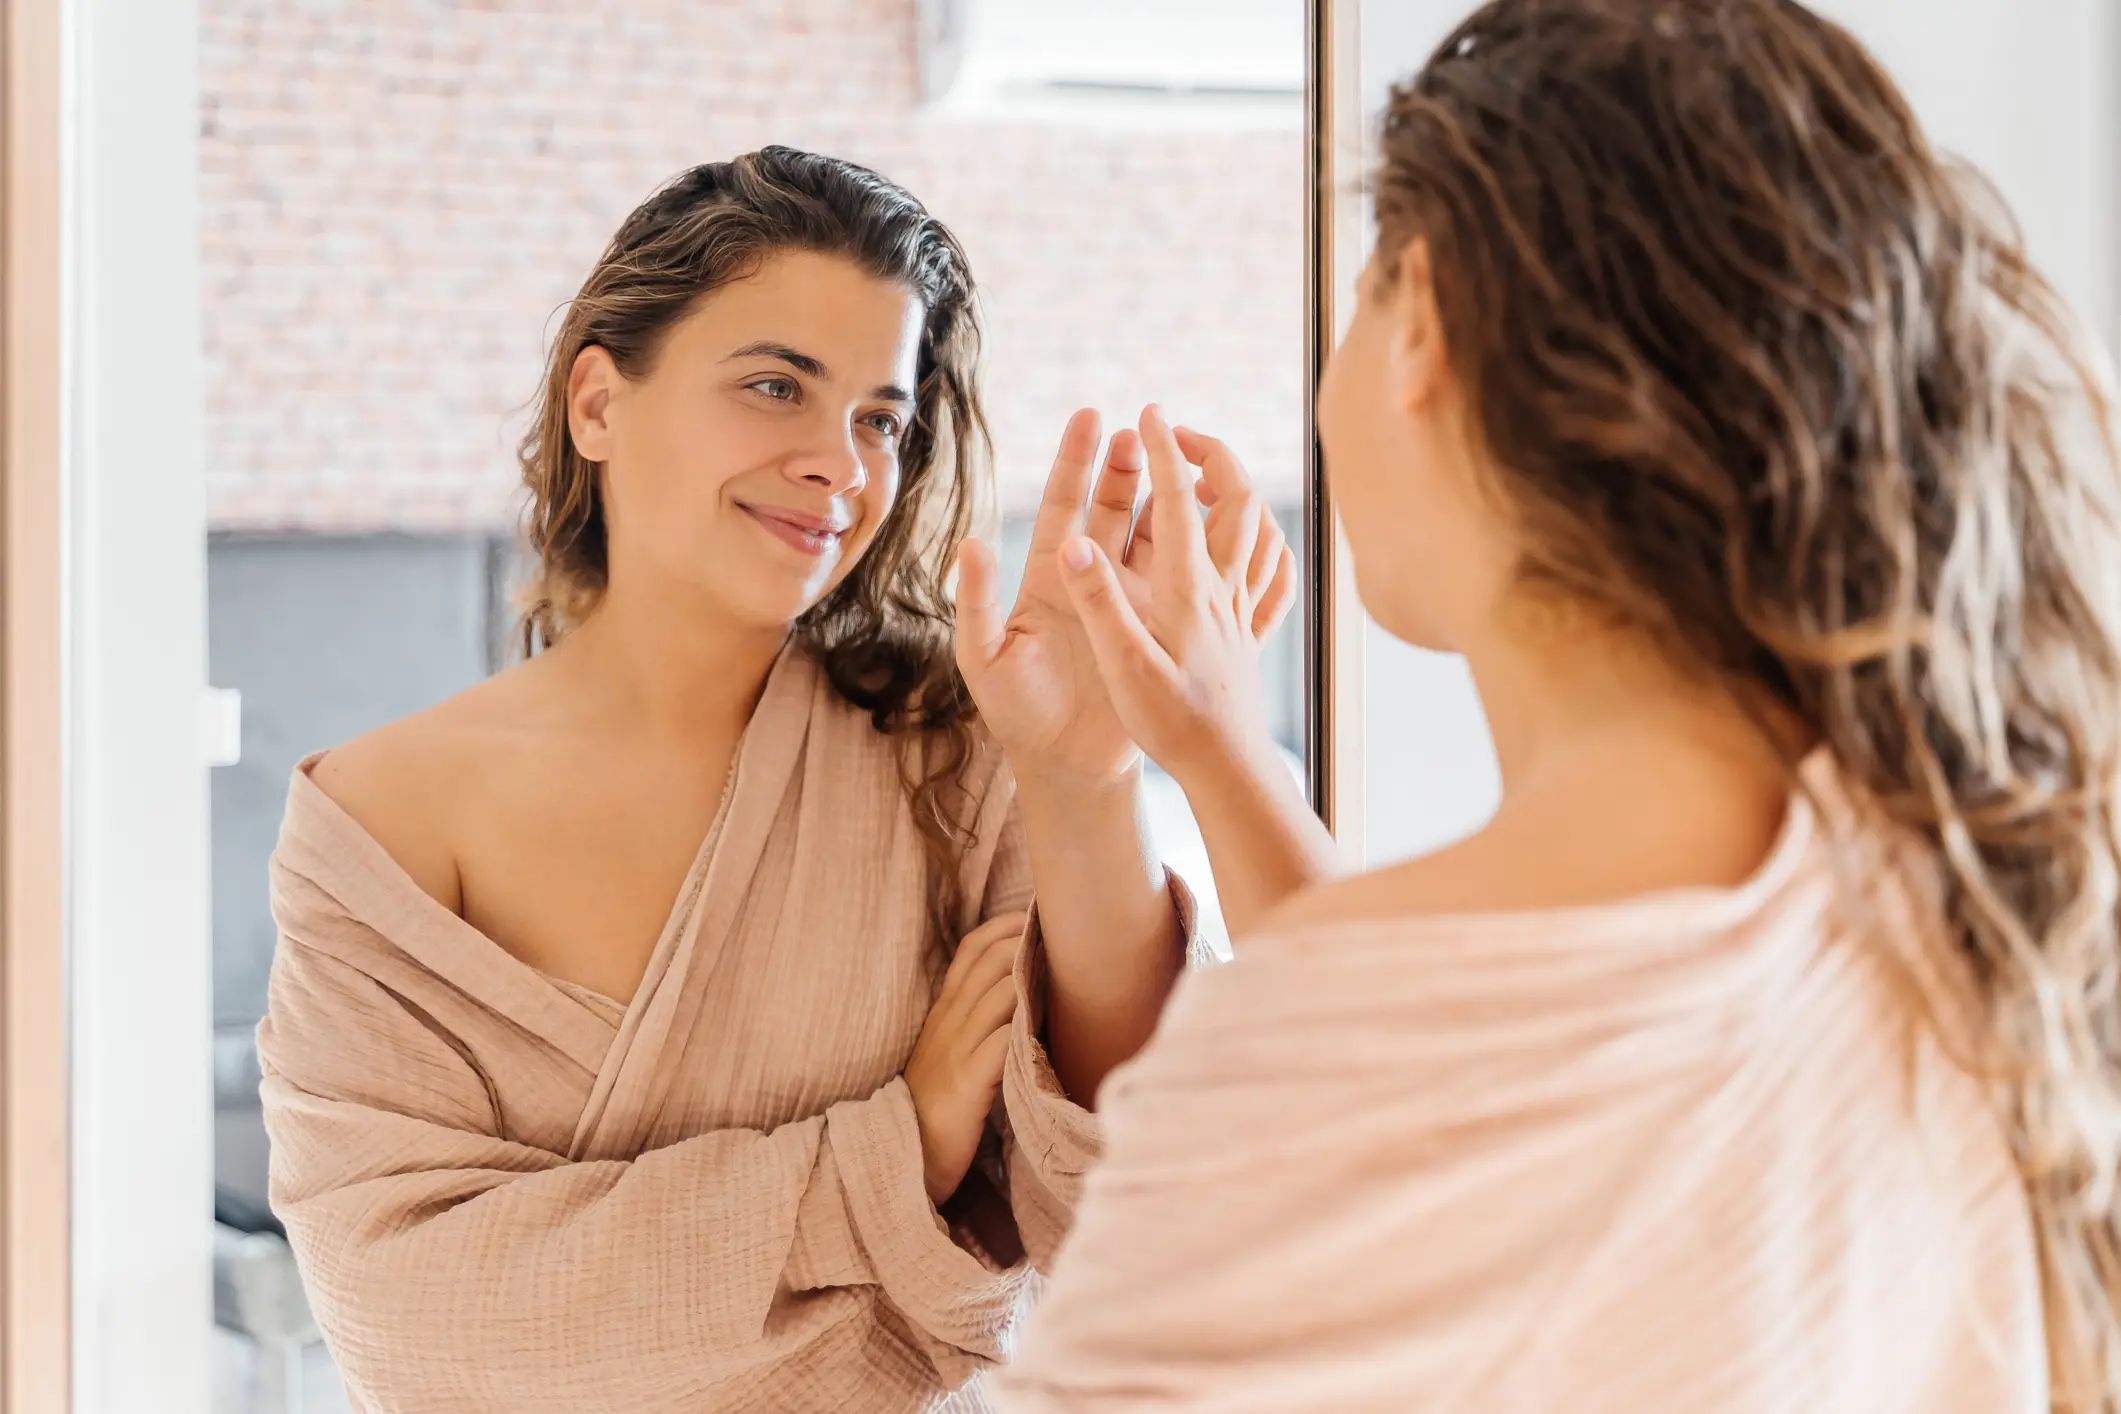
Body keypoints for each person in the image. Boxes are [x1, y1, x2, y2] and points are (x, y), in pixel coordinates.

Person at [995, 1, 2120, 1409]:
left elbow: (1405, 1084)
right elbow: (1484, 1078)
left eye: (1363, 293)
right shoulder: (1953, 870)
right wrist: (1217, 753)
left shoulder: (1316, 1054)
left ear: (1430, 326)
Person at [257, 147, 1293, 1412]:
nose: (841, 466)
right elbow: (421, 1329)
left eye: (880, 419)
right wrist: (890, 1160)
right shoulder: (380, 826)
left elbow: (1142, 1218)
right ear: (598, 402)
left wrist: (1085, 779)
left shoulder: (961, 756)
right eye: (774, 386)